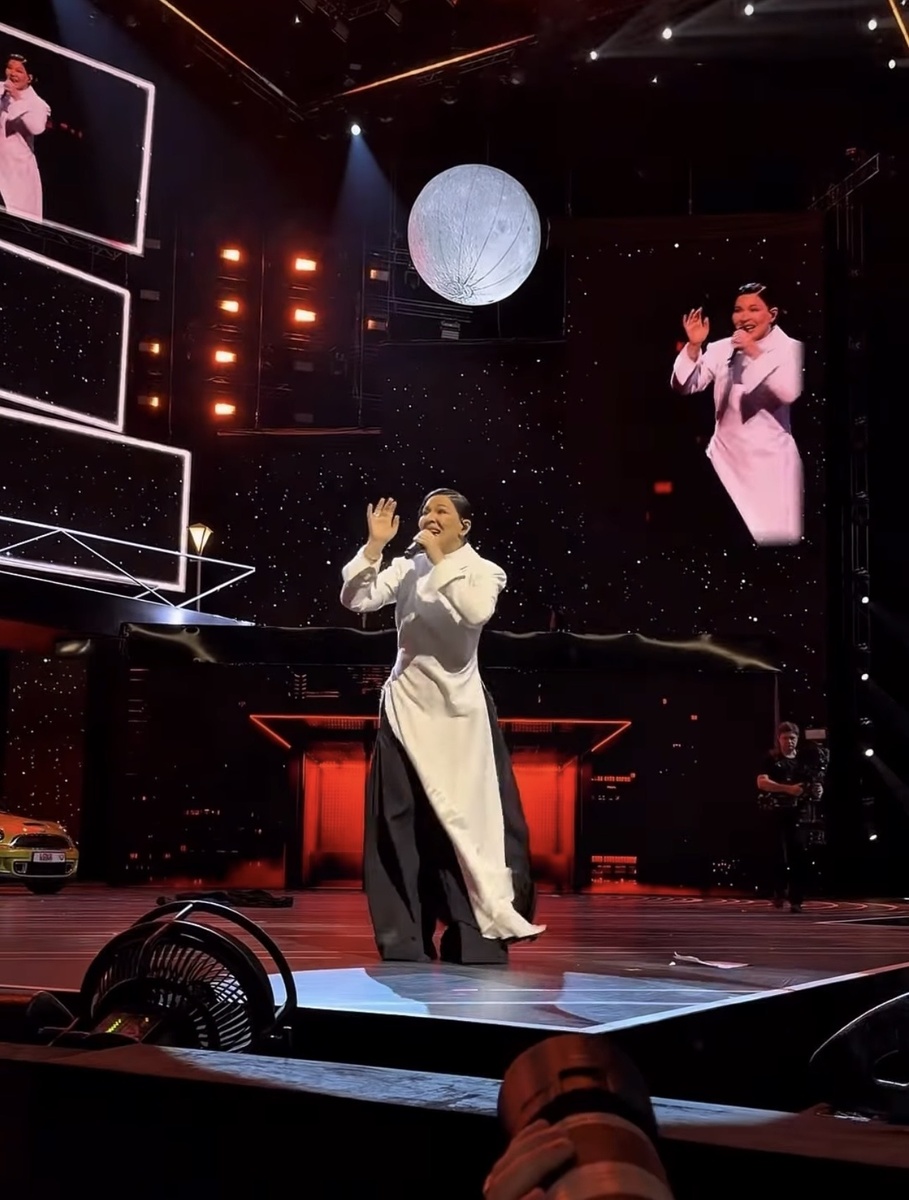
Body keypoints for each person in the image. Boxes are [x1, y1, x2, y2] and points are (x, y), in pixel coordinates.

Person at [340, 490, 545, 965]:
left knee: (466, 825)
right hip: (406, 707)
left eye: (441, 511)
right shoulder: (406, 568)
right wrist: (374, 547)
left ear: (464, 526)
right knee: (398, 823)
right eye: (425, 511)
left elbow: (474, 612)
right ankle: (404, 939)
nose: (429, 517)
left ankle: (473, 936)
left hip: (461, 716)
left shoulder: (484, 571)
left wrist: (437, 560)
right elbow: (357, 599)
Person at [671, 282, 804, 546]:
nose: (743, 317)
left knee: (773, 545)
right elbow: (685, 386)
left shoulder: (790, 349)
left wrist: (752, 351)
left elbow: (788, 391)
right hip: (723, 461)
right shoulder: (721, 348)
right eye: (738, 310)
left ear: (772, 314)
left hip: (771, 467)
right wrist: (695, 346)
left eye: (753, 309)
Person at [756, 721, 823, 912]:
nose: (789, 742)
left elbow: (814, 783)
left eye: (792, 738)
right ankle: (779, 891)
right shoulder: (771, 759)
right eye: (785, 738)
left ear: (797, 739)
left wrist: (818, 790)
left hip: (799, 815)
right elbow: (762, 782)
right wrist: (788, 789)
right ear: (779, 739)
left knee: (798, 856)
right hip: (776, 813)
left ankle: (796, 900)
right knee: (779, 855)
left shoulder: (803, 761)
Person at [0, 54, 50, 222]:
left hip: (17, 172)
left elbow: (36, 128)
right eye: (10, 68)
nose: (12, 73)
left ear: (29, 78)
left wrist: (17, 98)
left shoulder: (38, 104)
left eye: (19, 71)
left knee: (15, 223)